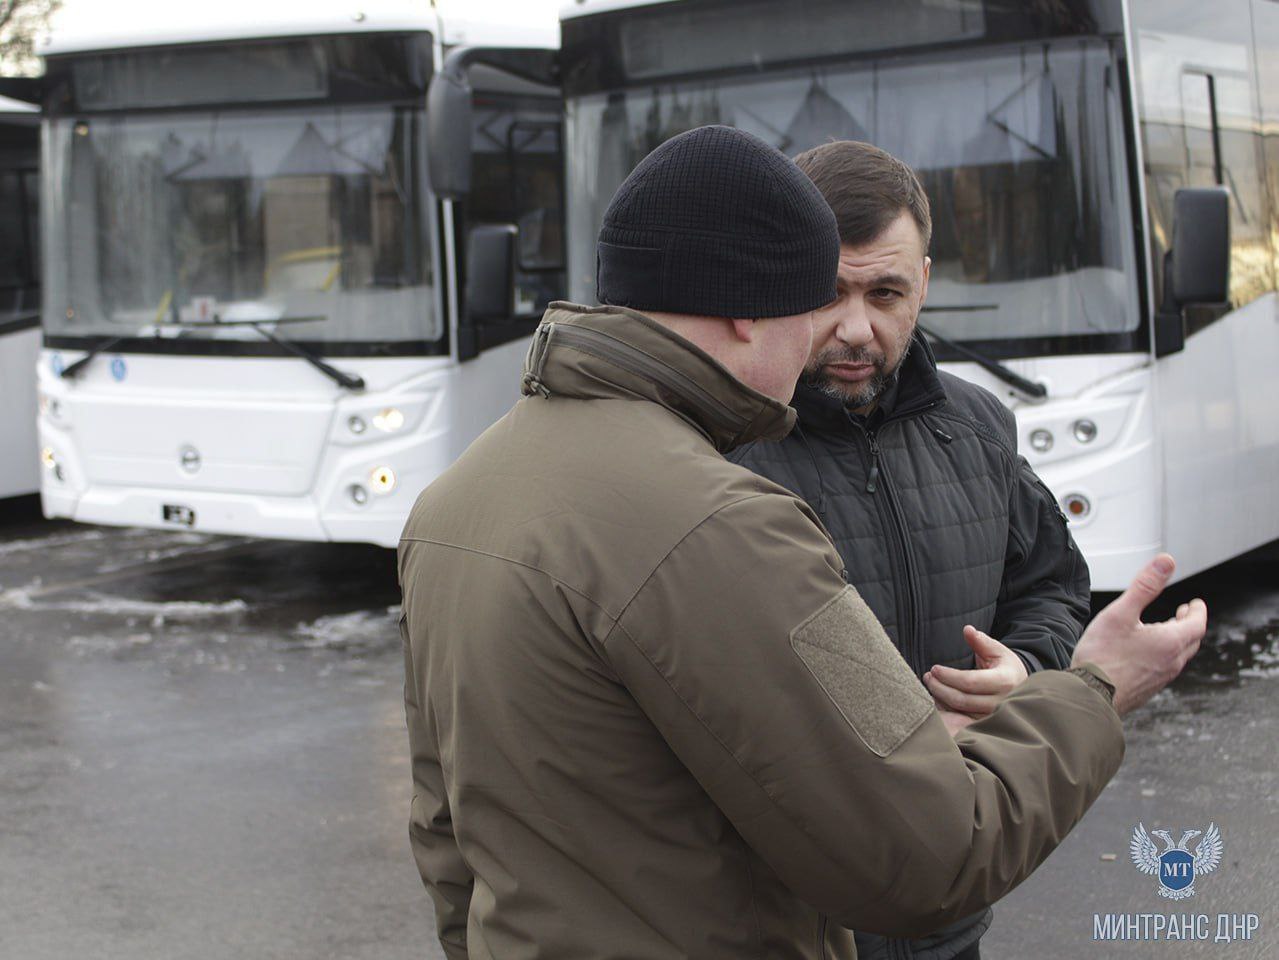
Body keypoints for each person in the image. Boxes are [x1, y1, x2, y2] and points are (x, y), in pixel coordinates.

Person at [399, 125, 1205, 960]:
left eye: (885, 295)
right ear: (752, 308)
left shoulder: (455, 498)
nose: (843, 334)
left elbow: (449, 833)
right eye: (814, 302)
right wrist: (1094, 689)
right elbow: (931, 858)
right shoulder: (715, 517)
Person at [728, 140, 1087, 960]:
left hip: (945, 915)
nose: (856, 329)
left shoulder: (978, 425)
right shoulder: (716, 448)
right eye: (829, 294)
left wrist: (1022, 671)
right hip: (789, 930)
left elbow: (1052, 586)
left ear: (922, 283)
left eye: (885, 293)